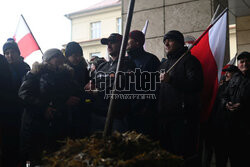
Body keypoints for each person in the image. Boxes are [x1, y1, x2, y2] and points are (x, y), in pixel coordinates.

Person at [18, 48, 84, 165]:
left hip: (59, 123)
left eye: (60, 56)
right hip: (38, 125)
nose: (60, 59)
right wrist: (44, 107)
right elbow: (24, 94)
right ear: (48, 59)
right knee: (39, 158)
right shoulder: (35, 74)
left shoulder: (66, 74)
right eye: (56, 56)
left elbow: (74, 92)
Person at [157, 30, 203, 165]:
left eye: (170, 40)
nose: (166, 43)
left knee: (183, 156)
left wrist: (171, 80)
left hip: (183, 119)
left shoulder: (189, 61)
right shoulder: (164, 64)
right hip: (164, 118)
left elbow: (196, 84)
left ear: (179, 42)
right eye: (164, 41)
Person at [85, 33, 135, 133]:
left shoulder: (127, 64)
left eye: (112, 42)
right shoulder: (102, 66)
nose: (108, 45)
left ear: (122, 45)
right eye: (107, 43)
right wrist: (92, 87)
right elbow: (90, 86)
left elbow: (120, 86)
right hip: (97, 115)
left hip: (116, 117)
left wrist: (98, 91)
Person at [1, 38, 30, 167]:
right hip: (8, 113)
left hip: (24, 111)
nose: (9, 55)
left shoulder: (26, 69)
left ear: (18, 53)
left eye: (12, 52)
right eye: (6, 53)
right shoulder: (3, 70)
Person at [126, 30, 160, 137]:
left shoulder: (151, 60)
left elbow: (156, 86)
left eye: (128, 39)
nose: (125, 42)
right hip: (127, 111)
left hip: (144, 111)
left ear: (137, 42)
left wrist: (147, 107)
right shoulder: (124, 61)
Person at [221, 51, 250, 167]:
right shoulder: (234, 79)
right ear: (238, 64)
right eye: (242, 62)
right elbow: (224, 96)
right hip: (233, 127)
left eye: (247, 61)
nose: (245, 64)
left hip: (247, 127)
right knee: (235, 158)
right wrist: (226, 104)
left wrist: (243, 106)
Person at [65, 41, 91, 138]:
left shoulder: (84, 69)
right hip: (68, 109)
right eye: (74, 55)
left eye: (79, 55)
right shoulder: (63, 70)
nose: (77, 58)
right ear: (68, 56)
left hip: (83, 107)